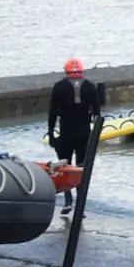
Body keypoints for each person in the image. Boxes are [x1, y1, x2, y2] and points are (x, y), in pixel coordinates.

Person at [48, 59, 100, 215]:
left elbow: (52, 113)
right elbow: (97, 114)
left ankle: (68, 201)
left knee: (65, 167)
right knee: (81, 168)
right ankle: (81, 206)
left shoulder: (59, 87)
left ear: (66, 71)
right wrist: (95, 137)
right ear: (82, 71)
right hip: (84, 133)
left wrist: (51, 134)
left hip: (66, 133)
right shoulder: (90, 86)